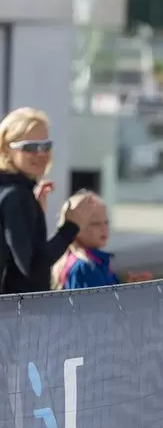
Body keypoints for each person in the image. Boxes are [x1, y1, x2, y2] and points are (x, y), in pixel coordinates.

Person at [0, 107, 97, 294]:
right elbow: (32, 269)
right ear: (6, 148)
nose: (41, 153)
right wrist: (71, 227)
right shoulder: (15, 196)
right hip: (14, 315)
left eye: (46, 145)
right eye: (30, 147)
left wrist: (34, 213)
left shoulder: (15, 192)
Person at [51, 191, 152, 290]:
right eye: (95, 223)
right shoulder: (85, 267)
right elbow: (100, 305)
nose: (104, 228)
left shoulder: (97, 262)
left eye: (106, 222)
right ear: (75, 228)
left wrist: (128, 289)